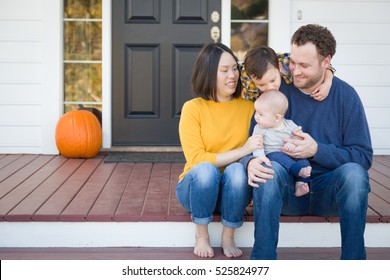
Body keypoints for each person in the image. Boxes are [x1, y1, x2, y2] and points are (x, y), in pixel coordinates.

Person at [241, 24, 373, 260]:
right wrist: (250, 162)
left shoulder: (345, 96)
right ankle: (262, 264)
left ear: (326, 62)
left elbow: (362, 157)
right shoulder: (275, 91)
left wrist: (317, 150)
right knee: (266, 170)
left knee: (355, 174)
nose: (295, 71)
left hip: (328, 192)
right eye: (292, 62)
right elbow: (253, 144)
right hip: (286, 192)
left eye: (304, 66)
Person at [176, 42, 262, 258]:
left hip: (233, 191)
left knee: (235, 171)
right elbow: (196, 160)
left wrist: (327, 73)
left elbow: (274, 69)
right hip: (196, 190)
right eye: (224, 71)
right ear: (208, 73)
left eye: (235, 68)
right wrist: (244, 150)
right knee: (206, 170)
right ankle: (202, 235)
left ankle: (228, 236)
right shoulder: (193, 108)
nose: (232, 75)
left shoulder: (250, 108)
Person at [252, 90, 311, 197]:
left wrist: (293, 144)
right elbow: (257, 146)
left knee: (304, 161)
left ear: (277, 117)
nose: (256, 117)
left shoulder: (290, 125)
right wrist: (260, 158)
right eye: (256, 112)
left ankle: (300, 184)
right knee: (278, 156)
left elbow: (299, 138)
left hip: (292, 155)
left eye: (261, 114)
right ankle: (298, 171)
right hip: (273, 156)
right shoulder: (259, 128)